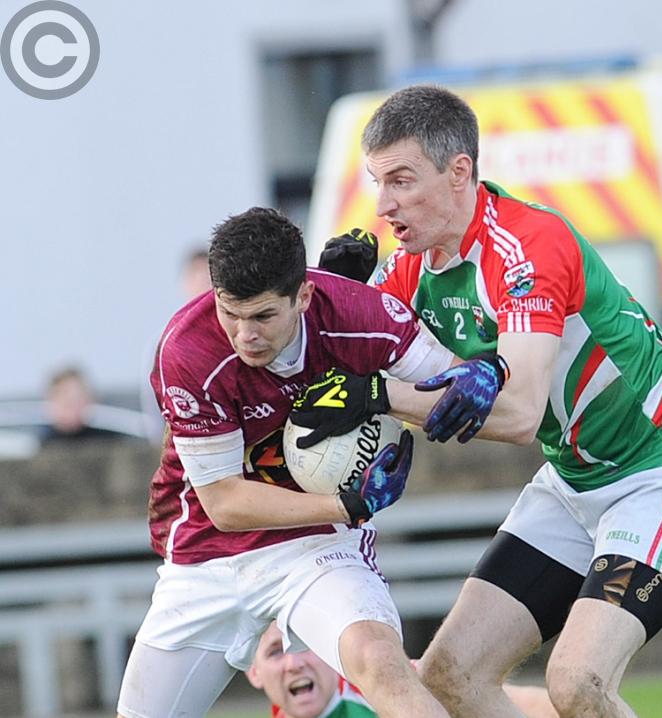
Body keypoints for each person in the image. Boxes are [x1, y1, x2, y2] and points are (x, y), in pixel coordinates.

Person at [296, 84, 662, 718]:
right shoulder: (406, 271)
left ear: (460, 173)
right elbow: (326, 379)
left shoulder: (528, 245)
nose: (383, 204)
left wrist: (375, 393)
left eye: (400, 180)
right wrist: (328, 298)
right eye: (377, 182)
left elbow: (517, 414)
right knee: (451, 675)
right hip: (573, 480)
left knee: (578, 682)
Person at [116, 206, 477, 718]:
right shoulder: (187, 349)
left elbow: (457, 397)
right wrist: (348, 502)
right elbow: (225, 504)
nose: (245, 335)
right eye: (229, 313)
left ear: (304, 295)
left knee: (379, 661)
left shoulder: (360, 314)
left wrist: (381, 390)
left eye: (263, 315)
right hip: (205, 557)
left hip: (313, 545)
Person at [249, 622, 557, 718]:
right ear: (254, 672)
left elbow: (525, 704)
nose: (294, 663)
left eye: (304, 646)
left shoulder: (379, 686)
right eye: (276, 652)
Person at [140, 247, 214, 444]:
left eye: (209, 276)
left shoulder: (238, 334)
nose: (205, 283)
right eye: (197, 276)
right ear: (185, 283)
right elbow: (154, 404)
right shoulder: (166, 342)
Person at [40, 366, 127, 445]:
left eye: (78, 399)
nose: (73, 407)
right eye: (67, 402)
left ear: (91, 401)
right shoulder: (44, 442)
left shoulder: (108, 439)